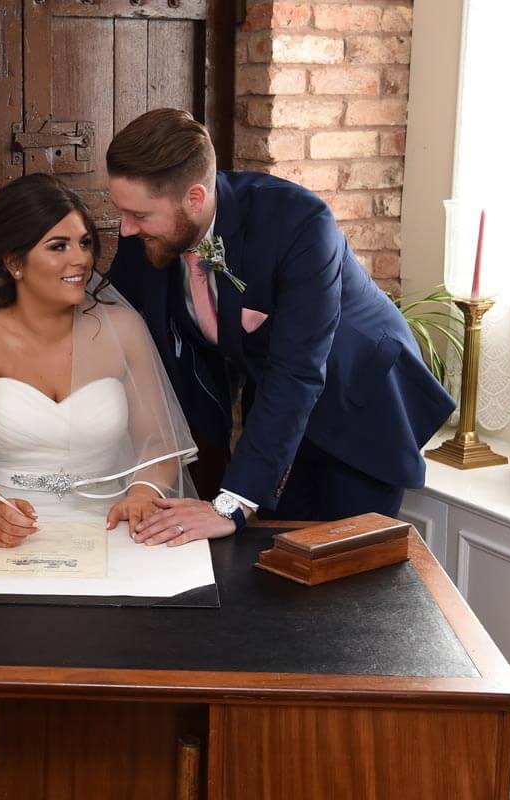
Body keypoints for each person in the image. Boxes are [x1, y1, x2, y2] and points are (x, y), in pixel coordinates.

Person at [103, 108, 456, 544]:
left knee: (345, 566)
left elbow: (300, 368)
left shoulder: (299, 223)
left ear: (194, 199)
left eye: (138, 215)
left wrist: (233, 503)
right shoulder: (147, 233)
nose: (125, 228)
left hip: (360, 402)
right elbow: (111, 319)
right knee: (274, 560)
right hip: (274, 408)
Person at [0, 174, 198, 548]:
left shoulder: (125, 328)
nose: (81, 259)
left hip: (110, 528)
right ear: (15, 262)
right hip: (5, 529)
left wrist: (142, 493)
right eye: (59, 246)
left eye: (84, 243)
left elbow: (158, 445)